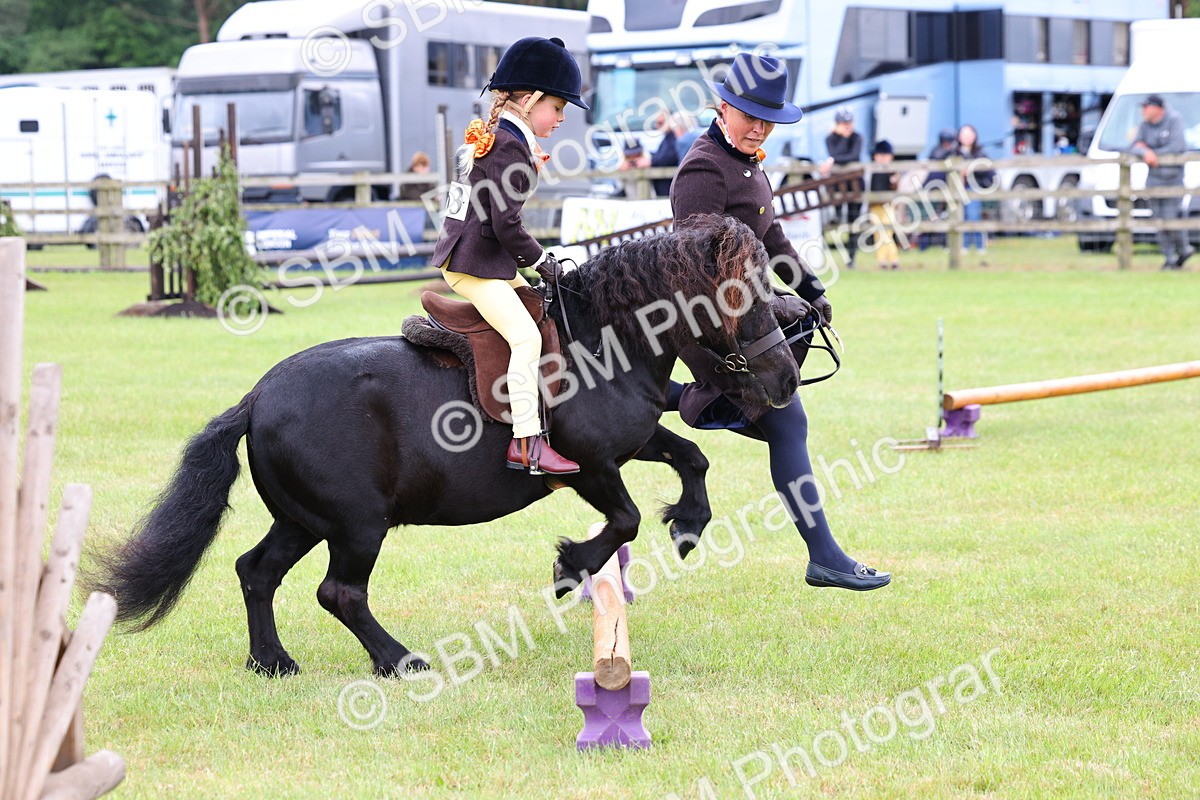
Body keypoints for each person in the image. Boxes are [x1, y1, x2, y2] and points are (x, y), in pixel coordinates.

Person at [669, 52, 890, 591]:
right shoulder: (702, 170)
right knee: (788, 424)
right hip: (713, 324)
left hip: (750, 317)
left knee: (784, 425)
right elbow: (698, 267)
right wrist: (760, 311)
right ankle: (826, 558)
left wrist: (812, 290)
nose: (761, 127)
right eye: (751, 115)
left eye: (769, 117)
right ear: (723, 108)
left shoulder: (747, 161)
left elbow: (771, 238)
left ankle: (682, 401)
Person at [429, 36, 588, 475]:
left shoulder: (503, 138)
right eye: (557, 108)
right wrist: (541, 261)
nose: (560, 119)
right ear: (532, 98)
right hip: (472, 264)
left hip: (481, 257)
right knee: (526, 337)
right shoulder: (508, 145)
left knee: (539, 311)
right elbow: (506, 225)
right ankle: (526, 442)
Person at [1131, 95, 1194, 270]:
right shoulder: (1144, 125)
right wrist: (1144, 153)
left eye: (1146, 107)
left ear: (1158, 108)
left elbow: (1177, 146)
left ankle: (1183, 250)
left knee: (1171, 219)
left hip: (1173, 179)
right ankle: (1169, 258)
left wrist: (1152, 153)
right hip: (1153, 180)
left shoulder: (1174, 120)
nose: (1143, 111)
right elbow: (1134, 145)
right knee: (1158, 221)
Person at [820, 107, 864, 269]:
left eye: (849, 123)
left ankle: (851, 258)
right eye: (843, 123)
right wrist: (842, 139)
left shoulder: (858, 137)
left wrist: (832, 160)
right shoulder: (830, 138)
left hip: (855, 185)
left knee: (854, 220)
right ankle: (835, 218)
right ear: (837, 124)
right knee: (836, 218)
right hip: (838, 186)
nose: (847, 126)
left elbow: (853, 156)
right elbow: (836, 153)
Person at [956, 124, 993, 259]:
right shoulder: (956, 152)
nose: (966, 137)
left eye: (968, 134)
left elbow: (987, 169)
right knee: (961, 216)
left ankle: (979, 245)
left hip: (973, 187)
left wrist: (971, 169)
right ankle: (963, 245)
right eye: (963, 134)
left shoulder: (979, 152)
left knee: (973, 216)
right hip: (958, 188)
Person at [919, 129, 958, 250]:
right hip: (931, 191)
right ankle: (923, 245)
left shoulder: (954, 152)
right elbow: (936, 159)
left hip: (946, 191)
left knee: (946, 216)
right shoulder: (936, 151)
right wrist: (947, 153)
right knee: (929, 217)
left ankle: (945, 244)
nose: (947, 144)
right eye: (945, 142)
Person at [868, 140, 900, 270]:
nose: (882, 159)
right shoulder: (872, 170)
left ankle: (893, 259)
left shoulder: (892, 171)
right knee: (878, 233)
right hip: (874, 205)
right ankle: (882, 260)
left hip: (887, 205)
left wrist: (895, 181)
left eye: (885, 156)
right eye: (880, 156)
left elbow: (895, 188)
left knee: (887, 232)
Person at [648, 112, 684, 197]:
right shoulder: (667, 138)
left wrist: (651, 162)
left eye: (661, 123)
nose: (657, 126)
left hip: (669, 186)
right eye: (657, 123)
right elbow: (661, 155)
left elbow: (669, 157)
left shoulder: (674, 138)